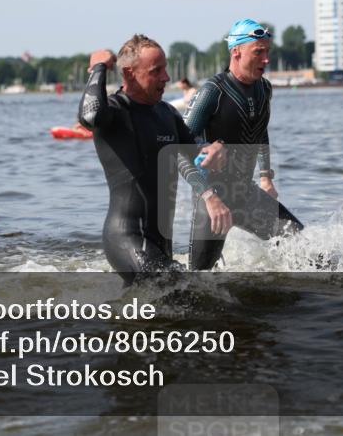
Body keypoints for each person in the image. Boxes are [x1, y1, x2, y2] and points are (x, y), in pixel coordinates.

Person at [77, 34, 229, 286]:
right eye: (156, 71)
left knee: (168, 307)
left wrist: (215, 149)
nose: (166, 78)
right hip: (126, 238)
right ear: (129, 74)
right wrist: (99, 68)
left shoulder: (167, 113)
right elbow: (90, 116)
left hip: (161, 243)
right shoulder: (114, 112)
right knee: (184, 291)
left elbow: (194, 156)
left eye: (165, 69)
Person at [180, 19, 304, 270]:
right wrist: (208, 193)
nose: (266, 59)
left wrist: (266, 176)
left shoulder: (264, 89)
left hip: (245, 193)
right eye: (259, 52)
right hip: (212, 199)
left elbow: (260, 131)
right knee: (198, 283)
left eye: (268, 51)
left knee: (301, 245)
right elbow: (179, 145)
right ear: (236, 51)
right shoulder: (213, 91)